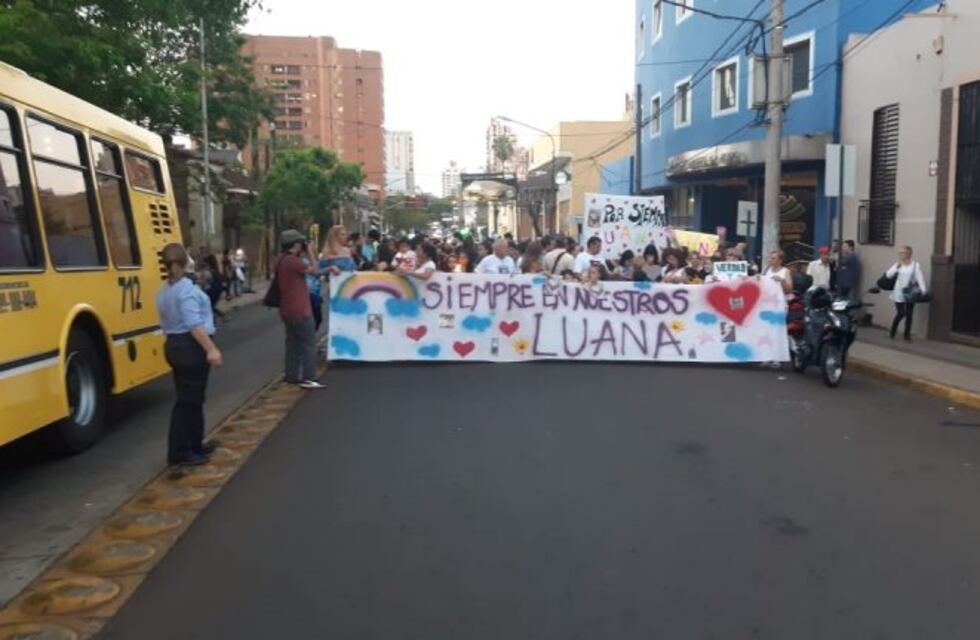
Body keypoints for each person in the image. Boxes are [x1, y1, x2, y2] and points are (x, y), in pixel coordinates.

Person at [156, 243, 222, 466]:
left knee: (193, 399)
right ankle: (180, 451)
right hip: (190, 346)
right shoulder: (185, 290)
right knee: (187, 401)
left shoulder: (165, 289)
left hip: (175, 344)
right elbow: (194, 324)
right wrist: (210, 349)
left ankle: (195, 444)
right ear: (185, 262)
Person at [276, 229, 325, 389]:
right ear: (296, 244)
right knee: (308, 343)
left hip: (286, 308)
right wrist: (311, 251)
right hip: (300, 309)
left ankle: (291, 375)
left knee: (292, 343)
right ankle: (309, 377)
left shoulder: (280, 260)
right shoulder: (293, 261)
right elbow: (315, 270)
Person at [886, 245, 927, 341]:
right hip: (898, 292)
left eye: (903, 252)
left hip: (909, 292)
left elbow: (919, 278)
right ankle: (893, 331)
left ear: (909, 254)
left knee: (909, 314)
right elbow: (888, 275)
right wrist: (897, 267)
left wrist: (923, 290)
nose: (900, 255)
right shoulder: (898, 264)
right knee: (901, 313)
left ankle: (906, 335)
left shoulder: (915, 265)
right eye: (900, 253)